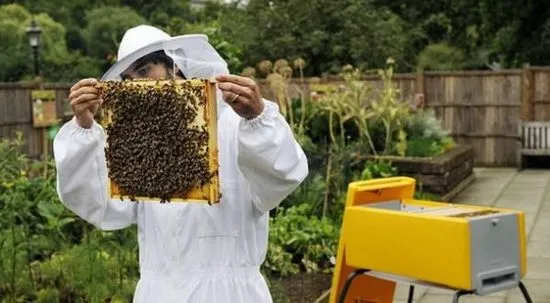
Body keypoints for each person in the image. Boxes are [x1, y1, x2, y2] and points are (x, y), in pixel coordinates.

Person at [53, 25, 308, 302]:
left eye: (144, 70)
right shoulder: (137, 141)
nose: (136, 85)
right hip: (158, 293)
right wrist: (83, 127)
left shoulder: (236, 125)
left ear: (176, 66)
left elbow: (283, 175)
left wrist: (257, 118)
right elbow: (101, 205)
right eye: (127, 78)